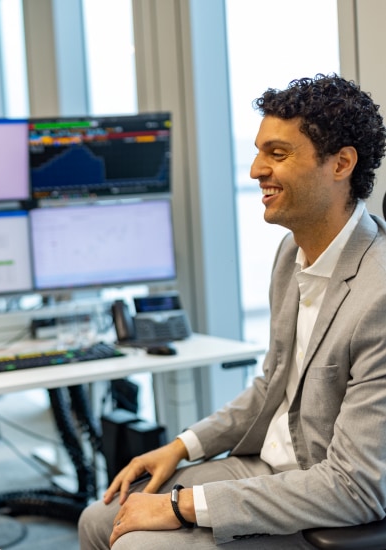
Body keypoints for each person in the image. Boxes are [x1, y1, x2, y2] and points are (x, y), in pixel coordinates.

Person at [78, 73, 386, 549]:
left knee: (138, 542)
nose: (255, 170)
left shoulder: (379, 293)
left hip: (320, 496)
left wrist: (180, 506)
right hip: (267, 463)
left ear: (342, 163)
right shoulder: (292, 254)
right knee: (99, 519)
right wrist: (180, 447)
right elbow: (272, 385)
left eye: (277, 154)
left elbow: (355, 486)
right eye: (260, 150)